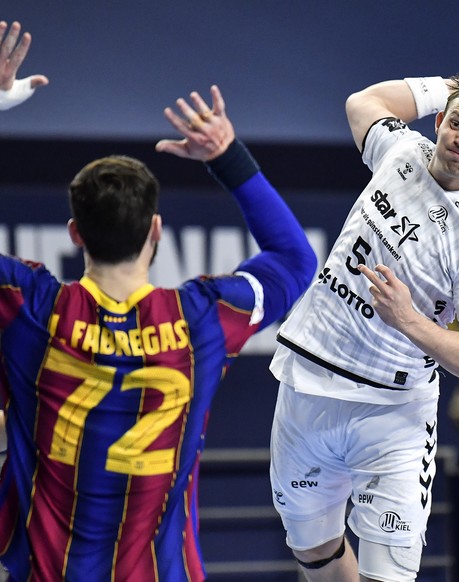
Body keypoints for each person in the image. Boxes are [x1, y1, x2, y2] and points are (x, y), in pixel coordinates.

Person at [0, 21, 316, 582]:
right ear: (157, 231)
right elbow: (295, 259)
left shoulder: (29, 309)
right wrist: (228, 156)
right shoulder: (201, 320)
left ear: (75, 234)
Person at [269, 73, 459, 581]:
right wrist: (444, 83)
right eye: (456, 122)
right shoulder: (401, 150)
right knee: (315, 557)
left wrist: (409, 320)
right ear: (439, 121)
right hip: (308, 387)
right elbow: (364, 101)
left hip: (392, 415)